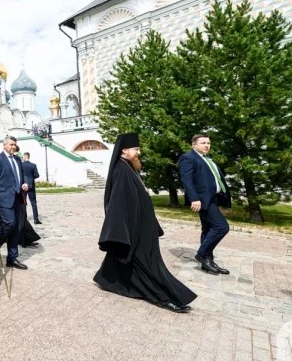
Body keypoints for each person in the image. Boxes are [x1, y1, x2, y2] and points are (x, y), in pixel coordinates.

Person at [93, 133, 196, 313]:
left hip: (143, 225)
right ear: (125, 150)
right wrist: (123, 231)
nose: (139, 152)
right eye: (136, 149)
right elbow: (118, 203)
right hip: (135, 229)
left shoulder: (129, 167)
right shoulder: (120, 170)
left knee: (123, 258)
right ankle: (163, 297)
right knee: (148, 264)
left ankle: (106, 278)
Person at [178, 133, 232, 276]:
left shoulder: (208, 159)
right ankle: (202, 254)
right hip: (202, 200)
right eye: (203, 143)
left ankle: (207, 262)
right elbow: (187, 180)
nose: (207, 145)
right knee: (222, 227)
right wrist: (194, 198)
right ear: (194, 145)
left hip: (213, 198)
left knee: (208, 229)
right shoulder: (188, 158)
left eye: (208, 143)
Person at [0, 135, 29, 270]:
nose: (13, 146)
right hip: (3, 200)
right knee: (9, 224)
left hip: (18, 199)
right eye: (11, 144)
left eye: (14, 145)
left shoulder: (17, 160)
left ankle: (12, 258)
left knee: (17, 228)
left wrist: (24, 184)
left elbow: (20, 178)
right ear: (4, 145)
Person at [21, 152, 41, 224]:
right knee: (33, 202)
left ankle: (23, 219)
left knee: (23, 202)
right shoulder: (33, 165)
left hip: (23, 185)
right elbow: (37, 175)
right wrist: (31, 178)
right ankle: (36, 219)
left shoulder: (21, 165)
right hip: (31, 185)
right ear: (29, 157)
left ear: (24, 157)